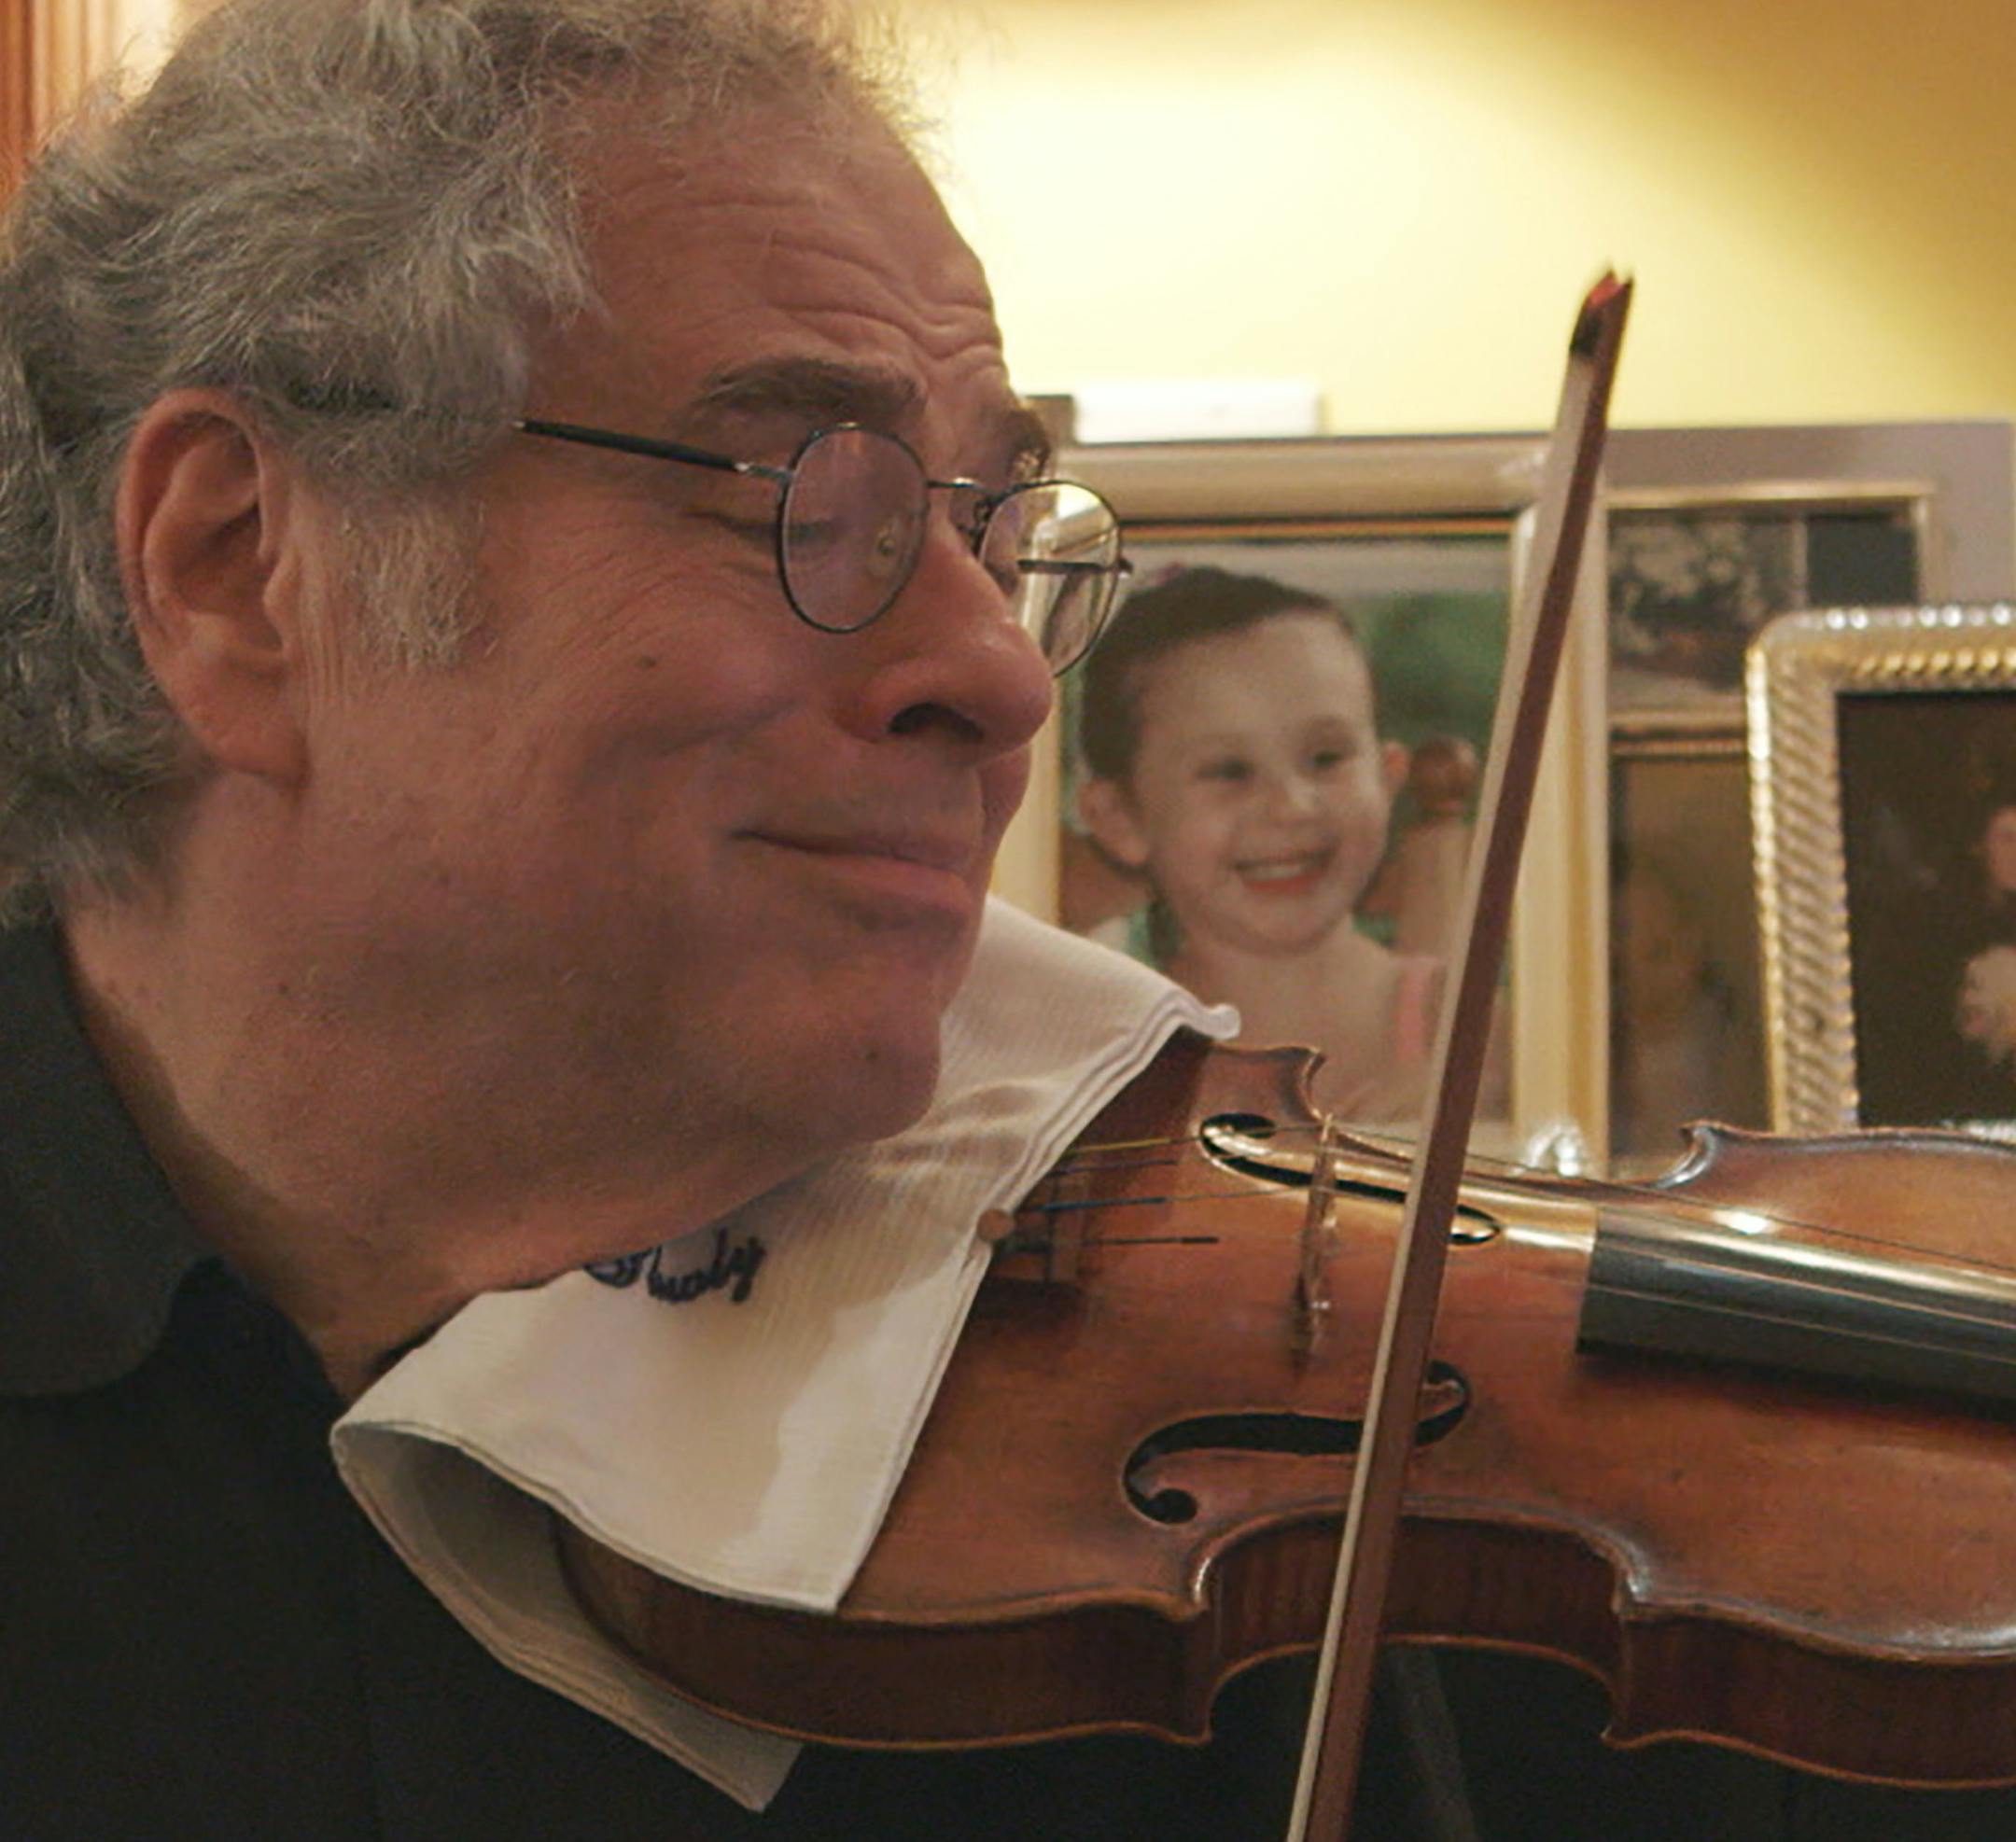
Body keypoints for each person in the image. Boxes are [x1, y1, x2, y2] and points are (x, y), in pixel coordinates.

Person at [0, 3, 1478, 1836]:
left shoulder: (1139, 1498)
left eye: (997, 531)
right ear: (235, 567)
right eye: (808, 494)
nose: (1000, 681)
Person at [1073, 565, 1486, 1122]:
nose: (1292, 807)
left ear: (1389, 775)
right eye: (1229, 771)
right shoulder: (1088, 1034)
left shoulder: (1465, 1031)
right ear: (1120, 817)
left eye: (1327, 758)